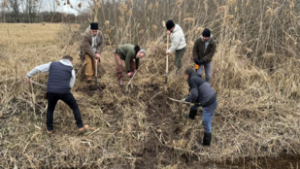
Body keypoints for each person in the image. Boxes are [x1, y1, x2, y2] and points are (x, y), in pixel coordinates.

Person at [25, 55, 89, 134]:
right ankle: (80, 126)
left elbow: (38, 68)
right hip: (64, 92)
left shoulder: (52, 64)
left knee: (50, 109)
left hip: (51, 91)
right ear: (70, 61)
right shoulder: (71, 69)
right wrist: (66, 89)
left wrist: (28, 75)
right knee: (74, 107)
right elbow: (71, 83)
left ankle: (49, 129)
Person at [184, 68, 217, 146]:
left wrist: (189, 100)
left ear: (187, 75)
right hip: (208, 97)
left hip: (209, 102)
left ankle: (206, 143)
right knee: (195, 105)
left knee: (206, 122)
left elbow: (195, 95)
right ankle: (191, 116)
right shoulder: (197, 77)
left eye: (185, 76)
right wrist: (189, 98)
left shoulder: (192, 79)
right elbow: (196, 93)